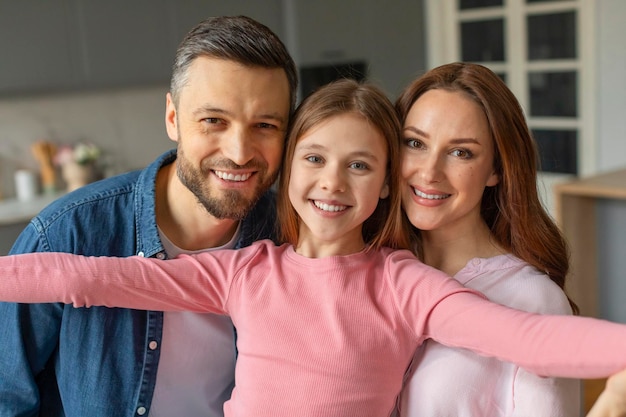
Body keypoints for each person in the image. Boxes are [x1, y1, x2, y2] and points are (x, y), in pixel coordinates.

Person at [3, 79, 626, 417]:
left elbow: (532, 338)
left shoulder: (404, 284)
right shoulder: (243, 272)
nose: (332, 183)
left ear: (387, 184)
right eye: (315, 159)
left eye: (360, 165)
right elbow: (84, 278)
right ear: (288, 171)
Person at [0, 15, 297, 417]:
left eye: (265, 125)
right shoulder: (66, 234)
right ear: (173, 118)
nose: (240, 152)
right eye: (214, 120)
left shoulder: (295, 240)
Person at [395, 62, 581, 416]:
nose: (429, 172)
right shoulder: (370, 267)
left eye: (460, 152)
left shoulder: (534, 300)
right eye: (415, 143)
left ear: (496, 169)